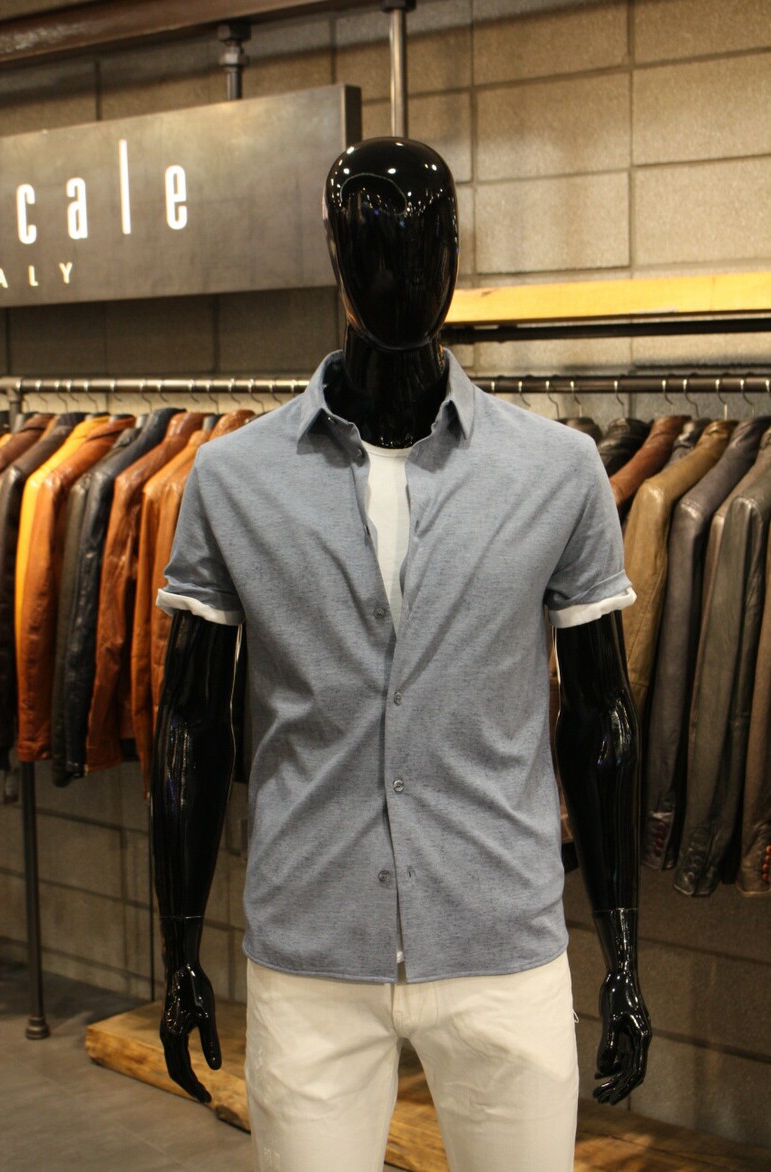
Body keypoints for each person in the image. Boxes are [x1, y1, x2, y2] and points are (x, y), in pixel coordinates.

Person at [152, 137, 651, 1172]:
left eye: (427, 242)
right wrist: (178, 945)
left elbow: (600, 716)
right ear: (334, 256)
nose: (403, 271)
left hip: (501, 944)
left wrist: (621, 949)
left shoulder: (557, 472)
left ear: (458, 254)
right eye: (373, 243)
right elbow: (190, 723)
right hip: (311, 950)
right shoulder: (231, 479)